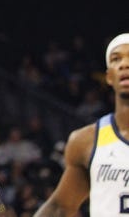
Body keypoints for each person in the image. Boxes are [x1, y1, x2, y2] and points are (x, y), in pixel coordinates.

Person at [34, 33, 129, 217]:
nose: (124, 64)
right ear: (109, 76)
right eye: (116, 59)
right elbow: (60, 208)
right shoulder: (87, 140)